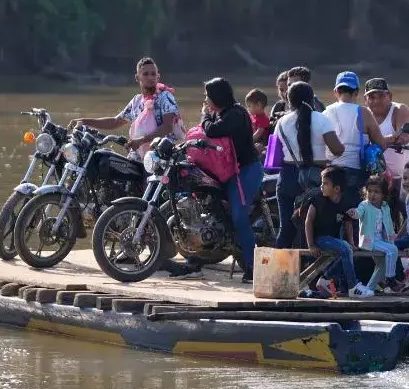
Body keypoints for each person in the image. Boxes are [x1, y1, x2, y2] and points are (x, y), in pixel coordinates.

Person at [170, 77, 264, 283]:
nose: (205, 99)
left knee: (239, 218)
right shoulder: (223, 113)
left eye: (207, 96)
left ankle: (252, 267)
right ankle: (202, 252)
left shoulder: (235, 114)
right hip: (229, 170)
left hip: (245, 171)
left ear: (217, 96)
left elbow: (212, 130)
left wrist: (205, 115)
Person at [273, 82, 345, 249]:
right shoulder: (322, 120)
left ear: (289, 101)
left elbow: (275, 156)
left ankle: (276, 271)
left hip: (287, 177)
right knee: (313, 229)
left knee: (287, 229)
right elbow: (337, 149)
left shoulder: (281, 122)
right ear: (312, 99)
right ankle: (311, 273)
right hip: (316, 180)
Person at [69, 57, 185, 159]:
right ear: (137, 78)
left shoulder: (165, 97)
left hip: (161, 157)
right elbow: (115, 122)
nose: (150, 77)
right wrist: (84, 121)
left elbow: (167, 127)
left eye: (153, 74)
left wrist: (141, 140)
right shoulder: (136, 101)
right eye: (145, 74)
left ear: (158, 77)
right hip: (138, 155)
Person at [323, 71, 396, 209]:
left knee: (332, 214)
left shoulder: (325, 112)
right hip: (355, 172)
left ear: (335, 92)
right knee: (354, 216)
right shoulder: (363, 112)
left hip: (330, 173)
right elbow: (380, 144)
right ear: (356, 92)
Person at [303, 166, 375, 298]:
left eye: (325, 184)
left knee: (348, 250)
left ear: (336, 189)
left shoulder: (344, 201)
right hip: (319, 238)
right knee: (345, 248)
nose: (321, 186)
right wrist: (311, 245)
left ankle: (326, 279)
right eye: (322, 183)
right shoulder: (318, 199)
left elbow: (348, 223)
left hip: (333, 239)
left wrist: (352, 243)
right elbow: (308, 222)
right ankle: (353, 286)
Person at [348, 175, 403, 293]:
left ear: (383, 194)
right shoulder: (364, 205)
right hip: (370, 241)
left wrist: (391, 237)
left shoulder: (385, 206)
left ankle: (369, 290)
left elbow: (388, 224)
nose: (372, 194)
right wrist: (354, 213)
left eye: (376, 192)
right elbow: (358, 213)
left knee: (382, 266)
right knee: (392, 250)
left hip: (381, 241)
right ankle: (390, 279)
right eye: (369, 191)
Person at [364, 77, 409, 206]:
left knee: (405, 213)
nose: (376, 101)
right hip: (376, 178)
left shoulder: (399, 109)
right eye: (371, 97)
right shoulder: (364, 114)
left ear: (389, 96)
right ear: (365, 100)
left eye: (380, 96)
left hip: (402, 177)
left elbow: (404, 138)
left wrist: (376, 141)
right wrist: (391, 137)